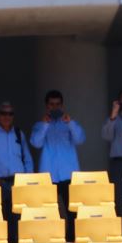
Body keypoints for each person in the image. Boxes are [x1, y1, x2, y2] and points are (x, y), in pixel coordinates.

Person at [29, 89, 85, 226]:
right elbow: (36, 143)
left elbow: (80, 139)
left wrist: (70, 123)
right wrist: (45, 125)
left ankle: (72, 237)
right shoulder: (39, 125)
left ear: (62, 106)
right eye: (51, 104)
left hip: (69, 173)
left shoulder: (69, 123)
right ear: (46, 106)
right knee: (49, 212)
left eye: (58, 104)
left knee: (73, 212)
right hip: (49, 175)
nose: (55, 107)